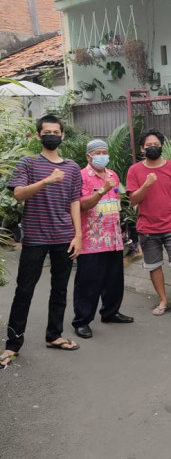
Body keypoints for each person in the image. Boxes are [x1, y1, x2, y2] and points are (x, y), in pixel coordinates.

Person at [0, 115, 82, 368]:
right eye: (47, 131)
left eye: (56, 131)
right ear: (38, 136)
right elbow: (18, 194)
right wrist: (46, 181)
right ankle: (12, 346)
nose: (52, 135)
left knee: (59, 290)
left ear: (63, 136)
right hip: (35, 238)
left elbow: (75, 202)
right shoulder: (28, 163)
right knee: (24, 290)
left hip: (64, 237)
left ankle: (54, 335)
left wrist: (78, 235)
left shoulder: (72, 168)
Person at [126, 128, 171, 317]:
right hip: (147, 228)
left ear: (162, 146)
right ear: (142, 149)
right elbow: (133, 200)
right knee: (153, 265)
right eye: (149, 145)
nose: (153, 148)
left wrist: (170, 208)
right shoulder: (135, 170)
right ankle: (163, 300)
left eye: (156, 145)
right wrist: (146, 184)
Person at [72, 139, 134, 339]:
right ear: (88, 156)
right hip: (92, 240)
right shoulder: (81, 177)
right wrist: (102, 190)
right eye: (97, 152)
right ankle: (82, 321)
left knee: (114, 280)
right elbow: (83, 205)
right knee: (88, 283)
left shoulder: (112, 175)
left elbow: (116, 202)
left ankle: (110, 312)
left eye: (104, 152)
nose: (102, 156)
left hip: (114, 238)